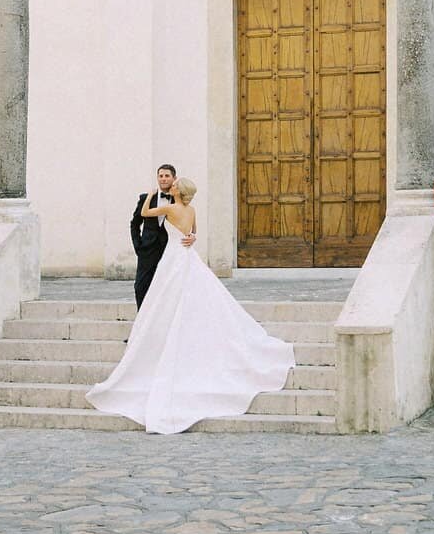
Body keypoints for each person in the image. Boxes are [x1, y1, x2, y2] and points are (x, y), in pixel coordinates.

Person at [89, 177, 295, 434]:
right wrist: (192, 238)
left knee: (167, 295)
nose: (171, 185)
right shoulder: (191, 210)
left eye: (174, 184)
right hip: (187, 254)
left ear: (178, 191)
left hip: (173, 257)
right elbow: (193, 232)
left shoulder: (170, 208)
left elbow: (144, 213)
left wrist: (153, 193)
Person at [130, 163, 192, 309]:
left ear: (174, 178)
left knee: (168, 288)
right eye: (160, 176)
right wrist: (138, 246)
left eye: (167, 176)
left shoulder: (179, 199)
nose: (163, 179)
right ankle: (143, 322)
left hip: (170, 250)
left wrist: (193, 235)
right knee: (141, 286)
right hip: (147, 249)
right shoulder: (146, 198)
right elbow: (135, 224)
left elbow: (188, 221)